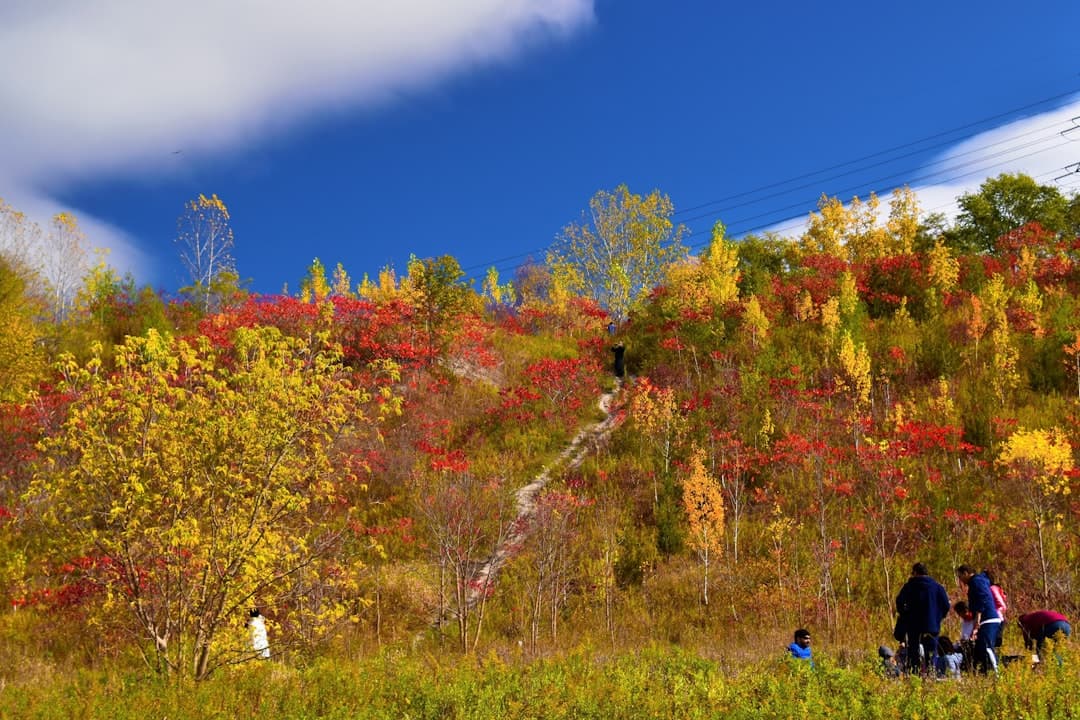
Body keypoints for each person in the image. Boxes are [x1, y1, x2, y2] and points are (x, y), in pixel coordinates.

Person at [894, 562, 951, 674]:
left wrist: (905, 615)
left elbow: (899, 602)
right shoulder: (937, 587)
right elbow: (946, 605)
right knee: (931, 654)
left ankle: (914, 675)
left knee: (913, 653)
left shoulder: (909, 586)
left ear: (915, 572)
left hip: (913, 626)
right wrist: (938, 617)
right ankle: (930, 676)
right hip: (932, 626)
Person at [957, 565, 1001, 673]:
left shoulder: (976, 582)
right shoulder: (978, 581)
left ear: (966, 573)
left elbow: (983, 598)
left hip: (988, 618)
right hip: (986, 619)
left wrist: (978, 618)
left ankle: (996, 673)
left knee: (986, 647)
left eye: (960, 576)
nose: (960, 580)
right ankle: (986, 673)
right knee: (980, 647)